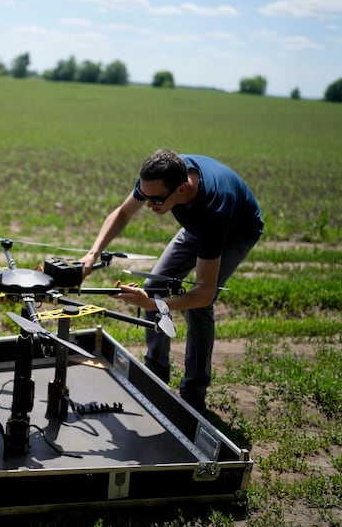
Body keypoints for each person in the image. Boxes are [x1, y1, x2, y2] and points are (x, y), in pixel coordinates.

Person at [80, 149, 263, 413]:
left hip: (235, 230)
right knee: (154, 286)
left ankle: (193, 392)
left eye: (156, 200)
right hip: (195, 226)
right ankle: (156, 370)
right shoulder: (157, 178)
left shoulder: (213, 209)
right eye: (146, 196)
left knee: (198, 307)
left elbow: (204, 292)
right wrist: (92, 252)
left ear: (181, 189)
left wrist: (155, 305)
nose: (150, 205)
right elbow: (122, 214)